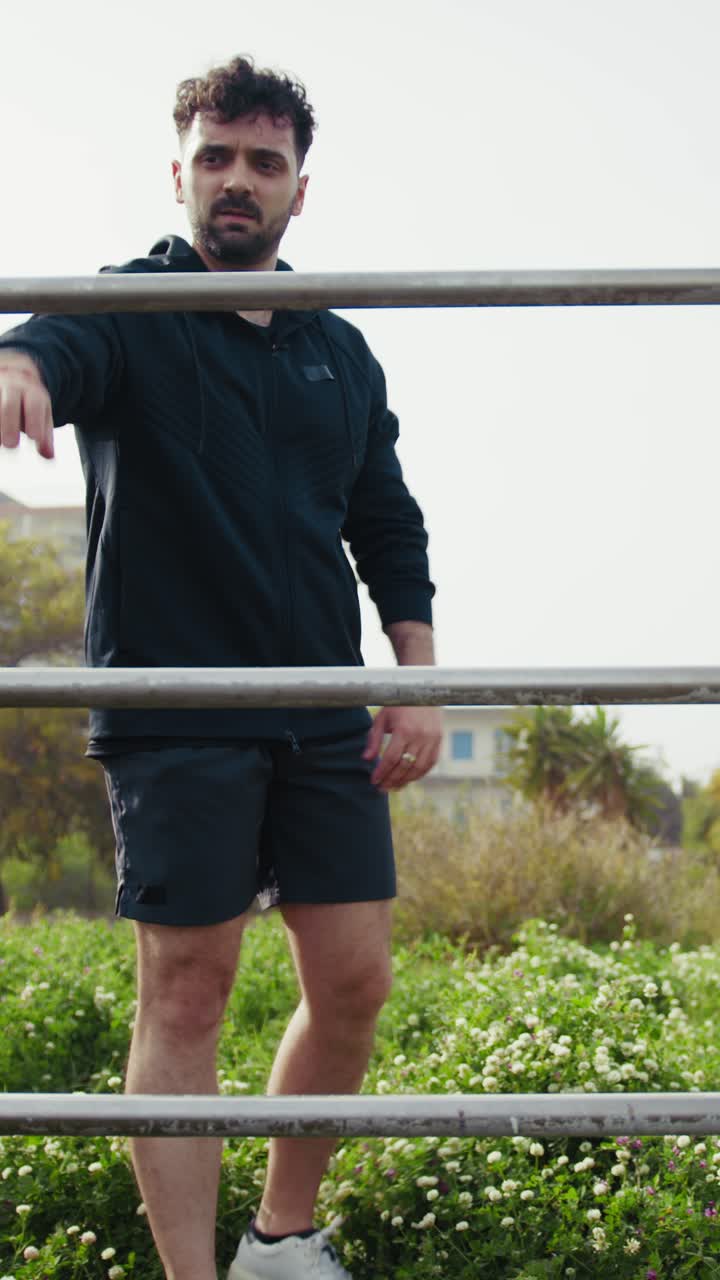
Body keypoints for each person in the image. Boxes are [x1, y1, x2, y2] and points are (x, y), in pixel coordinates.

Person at [0, 55, 440, 1280]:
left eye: (264, 161)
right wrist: (18, 367)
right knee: (187, 992)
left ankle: (280, 1238)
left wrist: (414, 669)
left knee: (354, 981)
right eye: (215, 157)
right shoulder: (131, 310)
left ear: (301, 189)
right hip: (174, 706)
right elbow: (48, 342)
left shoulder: (339, 349)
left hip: (317, 708)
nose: (237, 180)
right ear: (180, 171)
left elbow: (386, 521)